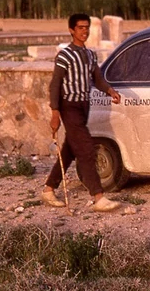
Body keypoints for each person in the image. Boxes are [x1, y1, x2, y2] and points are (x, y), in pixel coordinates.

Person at [42, 13, 123, 212]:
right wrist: (55, 113)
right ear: (71, 30)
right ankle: (98, 197)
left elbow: (97, 78)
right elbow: (55, 85)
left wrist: (110, 91)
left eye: (86, 27)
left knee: (70, 150)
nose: (84, 31)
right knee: (87, 150)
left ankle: (48, 189)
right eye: (80, 28)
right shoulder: (64, 55)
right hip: (69, 107)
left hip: (84, 106)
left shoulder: (89, 55)